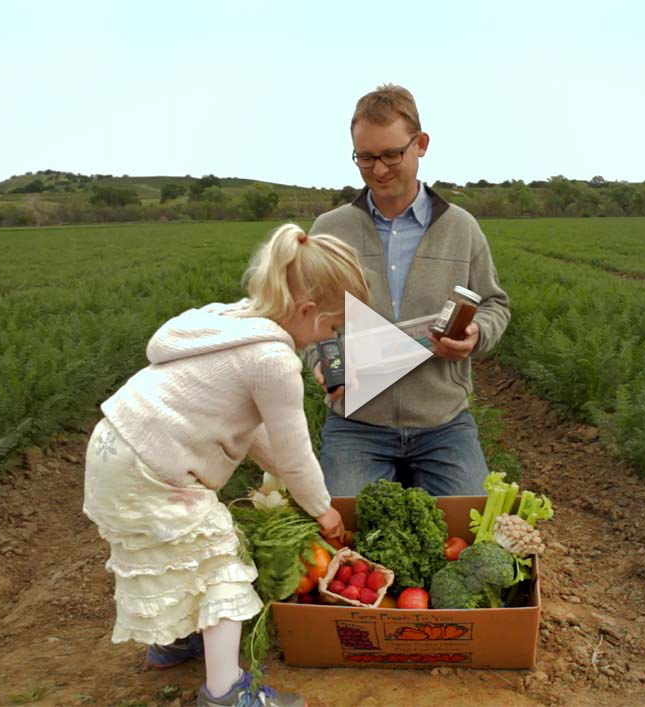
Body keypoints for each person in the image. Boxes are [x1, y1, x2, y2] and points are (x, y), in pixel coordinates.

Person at [83, 223, 369, 707]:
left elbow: (255, 430)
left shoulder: (229, 322)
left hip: (115, 449)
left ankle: (174, 643)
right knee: (221, 563)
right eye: (332, 328)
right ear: (306, 312)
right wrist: (322, 508)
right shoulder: (274, 360)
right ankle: (226, 693)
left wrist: (281, 477)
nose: (329, 339)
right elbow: (295, 449)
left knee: (166, 551)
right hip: (155, 467)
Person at [305, 83, 511, 498]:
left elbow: (493, 304)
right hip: (357, 423)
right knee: (345, 534)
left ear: (421, 144)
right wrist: (318, 362)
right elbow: (306, 314)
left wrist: (475, 335)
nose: (378, 170)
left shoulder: (461, 228)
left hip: (442, 422)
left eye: (391, 155)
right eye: (365, 158)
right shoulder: (330, 231)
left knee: (470, 535)